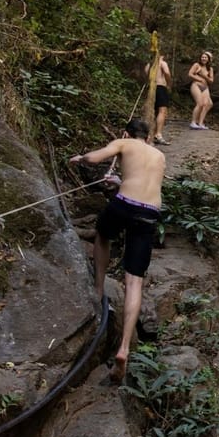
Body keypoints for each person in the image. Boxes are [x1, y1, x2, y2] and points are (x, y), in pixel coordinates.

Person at [70, 119, 166, 382]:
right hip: (149, 213)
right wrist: (119, 181)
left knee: (103, 236)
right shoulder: (159, 155)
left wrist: (81, 158)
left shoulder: (123, 142)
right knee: (135, 281)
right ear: (147, 138)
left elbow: (96, 157)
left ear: (127, 134)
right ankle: (124, 348)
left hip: (124, 204)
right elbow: (142, 180)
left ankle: (99, 289)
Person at [144, 56, 172, 145]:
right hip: (160, 87)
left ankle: (151, 134)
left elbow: (146, 74)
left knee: (154, 111)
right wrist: (168, 83)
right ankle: (158, 134)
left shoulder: (149, 64)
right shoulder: (162, 63)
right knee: (162, 111)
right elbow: (167, 73)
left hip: (151, 88)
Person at [188, 51, 215, 130]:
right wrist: (199, 78)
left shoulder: (210, 69)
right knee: (200, 103)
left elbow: (211, 81)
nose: (204, 58)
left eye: (206, 57)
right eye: (202, 57)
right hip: (196, 85)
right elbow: (190, 74)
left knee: (208, 104)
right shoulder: (196, 65)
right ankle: (193, 122)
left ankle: (200, 123)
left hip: (205, 87)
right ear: (200, 58)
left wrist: (204, 76)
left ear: (208, 59)